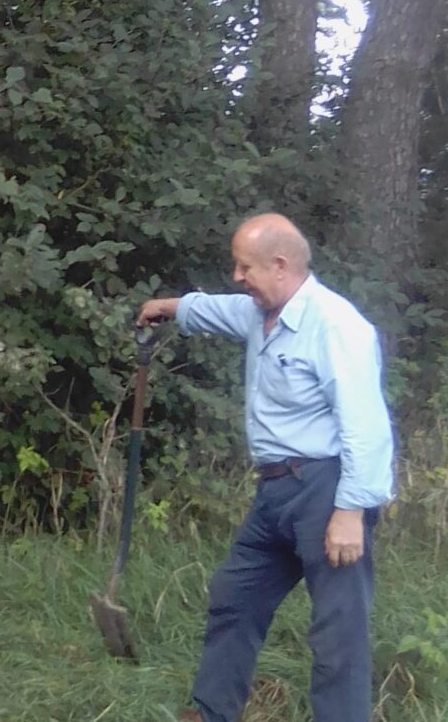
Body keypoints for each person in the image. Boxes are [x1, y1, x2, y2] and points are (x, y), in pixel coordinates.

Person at [136, 213, 394, 722]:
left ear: (280, 265)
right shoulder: (261, 311)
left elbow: (366, 425)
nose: (237, 276)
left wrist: (350, 511)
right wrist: (169, 307)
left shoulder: (337, 326)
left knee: (337, 630)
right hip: (275, 493)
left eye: (243, 266)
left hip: (327, 490)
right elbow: (219, 308)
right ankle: (212, 713)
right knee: (234, 597)